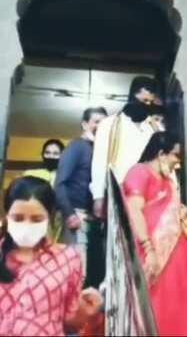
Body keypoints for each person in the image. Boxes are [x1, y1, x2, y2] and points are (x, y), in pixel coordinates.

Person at [122, 132, 187, 336]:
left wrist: (179, 212)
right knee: (162, 308)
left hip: (179, 255)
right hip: (153, 252)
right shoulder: (138, 172)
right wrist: (149, 249)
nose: (178, 163)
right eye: (176, 156)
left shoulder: (168, 183)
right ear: (160, 153)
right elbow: (133, 210)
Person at [0, 176, 103, 336]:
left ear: (49, 219)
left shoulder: (67, 258)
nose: (27, 225)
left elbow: (70, 322)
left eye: (36, 219)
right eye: (18, 218)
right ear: (6, 216)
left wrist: (86, 309)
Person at [90, 76, 161, 219]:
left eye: (151, 102)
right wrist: (98, 197)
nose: (147, 105)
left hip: (150, 196)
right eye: (144, 101)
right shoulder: (108, 125)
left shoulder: (155, 128)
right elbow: (99, 161)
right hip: (119, 193)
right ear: (132, 97)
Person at [54, 107, 107, 281]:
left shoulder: (100, 150)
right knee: (77, 272)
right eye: (96, 122)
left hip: (94, 220)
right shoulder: (77, 146)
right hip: (77, 216)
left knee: (91, 274)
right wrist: (69, 214)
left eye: (104, 122)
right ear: (85, 124)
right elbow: (59, 183)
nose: (101, 126)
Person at [24, 139, 65, 242]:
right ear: (42, 154)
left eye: (56, 153)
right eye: (47, 153)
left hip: (59, 219)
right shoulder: (30, 174)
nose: (51, 156)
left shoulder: (65, 177)